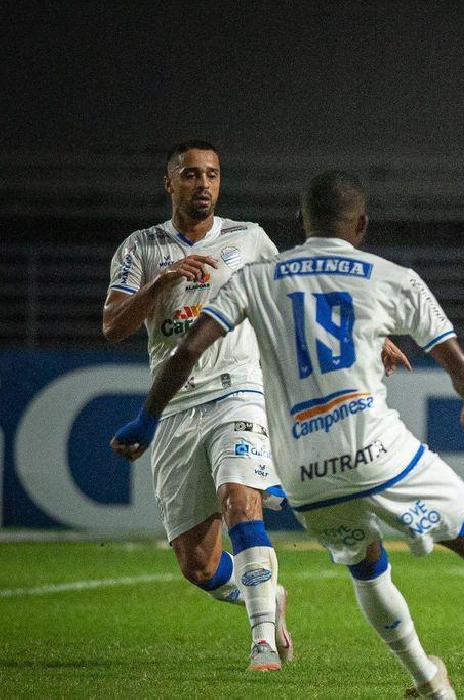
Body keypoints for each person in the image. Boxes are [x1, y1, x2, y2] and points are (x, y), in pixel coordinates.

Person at [111, 171, 464, 700]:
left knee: (366, 567)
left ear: (301, 224)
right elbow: (461, 366)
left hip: (305, 476)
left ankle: (428, 681)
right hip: (376, 451)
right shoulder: (392, 276)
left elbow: (186, 351)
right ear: (363, 225)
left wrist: (145, 419)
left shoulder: (255, 278)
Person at [103, 140, 295, 671]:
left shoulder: (248, 239)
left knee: (239, 498)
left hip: (238, 389)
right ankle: (268, 596)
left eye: (211, 174)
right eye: (190, 175)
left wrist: (366, 339)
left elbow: (291, 298)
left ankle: (261, 643)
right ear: (170, 183)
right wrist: (163, 283)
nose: (202, 184)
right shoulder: (139, 248)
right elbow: (114, 325)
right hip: (174, 407)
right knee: (198, 563)